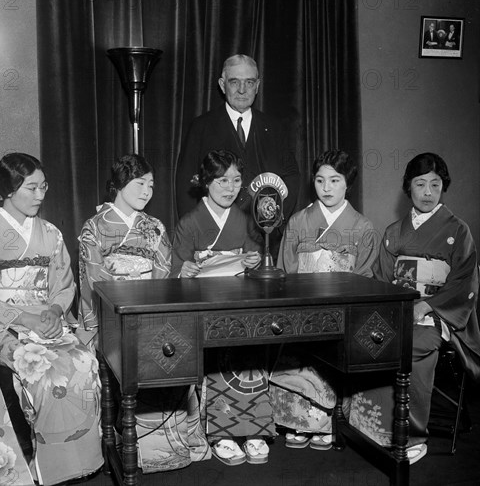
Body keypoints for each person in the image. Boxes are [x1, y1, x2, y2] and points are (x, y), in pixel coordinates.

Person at [0, 153, 103, 486]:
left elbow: (63, 283)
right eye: (32, 188)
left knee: (84, 361)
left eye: (44, 187)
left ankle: (79, 460)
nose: (41, 195)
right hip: (3, 327)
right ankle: (43, 466)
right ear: (8, 190)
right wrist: (23, 318)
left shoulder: (50, 233)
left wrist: (54, 311)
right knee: (41, 371)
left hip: (48, 320)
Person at [78, 154, 210, 473]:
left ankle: (177, 443)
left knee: (182, 353)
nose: (147, 191)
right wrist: (102, 325)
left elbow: (163, 277)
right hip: (112, 317)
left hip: (150, 316)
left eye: (151, 184)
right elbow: (92, 283)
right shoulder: (93, 229)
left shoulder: (154, 227)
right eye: (140, 183)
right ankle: (129, 448)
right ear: (120, 184)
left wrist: (158, 314)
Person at [349, 152, 480, 464]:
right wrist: (397, 307)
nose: (427, 192)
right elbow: (382, 279)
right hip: (398, 309)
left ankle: (410, 434)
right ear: (408, 187)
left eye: (435, 185)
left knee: (412, 345)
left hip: (437, 313)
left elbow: (465, 282)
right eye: (420, 184)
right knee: (365, 338)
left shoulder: (458, 230)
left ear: (442, 188)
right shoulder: (395, 231)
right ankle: (371, 425)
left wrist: (427, 307)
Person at [269, 149, 379, 451]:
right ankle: (295, 421)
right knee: (295, 354)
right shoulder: (298, 222)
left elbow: (364, 277)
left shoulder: (362, 227)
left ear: (348, 184)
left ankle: (331, 422)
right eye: (320, 180)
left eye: (334, 180)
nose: (326, 188)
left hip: (342, 313)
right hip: (301, 310)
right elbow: (285, 271)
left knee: (334, 352)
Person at [172, 150, 274, 466]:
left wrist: (256, 263)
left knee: (249, 349)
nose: (230, 188)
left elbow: (258, 267)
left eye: (235, 180)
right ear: (206, 182)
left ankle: (254, 427)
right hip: (200, 306)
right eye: (221, 180)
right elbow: (174, 268)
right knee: (220, 353)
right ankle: (222, 431)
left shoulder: (245, 220)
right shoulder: (189, 223)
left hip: (239, 303)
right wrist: (183, 270)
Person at [175, 54, 300, 256]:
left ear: (257, 86)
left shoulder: (274, 128)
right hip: (216, 244)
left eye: (249, 82)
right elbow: (186, 185)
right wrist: (196, 236)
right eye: (235, 82)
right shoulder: (201, 127)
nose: (242, 90)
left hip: (266, 241)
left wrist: (275, 223)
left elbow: (291, 177)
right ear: (223, 85)